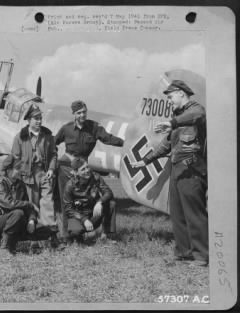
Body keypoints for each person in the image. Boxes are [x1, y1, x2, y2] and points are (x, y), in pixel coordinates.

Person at [131, 80, 208, 267]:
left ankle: (202, 256)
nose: (170, 100)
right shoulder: (177, 116)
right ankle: (184, 252)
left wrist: (171, 123)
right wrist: (145, 161)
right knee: (178, 213)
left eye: (171, 96)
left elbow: (198, 115)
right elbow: (166, 145)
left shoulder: (196, 111)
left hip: (192, 170)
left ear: (182, 93)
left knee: (194, 213)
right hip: (177, 169)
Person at [55, 100, 124, 242]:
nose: (82, 115)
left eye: (84, 112)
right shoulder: (66, 129)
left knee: (87, 200)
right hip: (66, 168)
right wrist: (52, 160)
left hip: (83, 170)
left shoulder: (94, 127)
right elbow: (52, 143)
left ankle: (92, 231)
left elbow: (108, 139)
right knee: (66, 203)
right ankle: (66, 236)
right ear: (73, 114)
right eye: (79, 113)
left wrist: (125, 143)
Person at [6, 102, 59, 247]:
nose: (39, 121)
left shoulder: (47, 136)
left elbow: (54, 154)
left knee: (48, 203)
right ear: (28, 120)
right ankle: (30, 236)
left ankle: (52, 234)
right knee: (31, 205)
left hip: (43, 173)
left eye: (40, 118)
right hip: (27, 175)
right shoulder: (20, 137)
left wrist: (51, 169)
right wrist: (19, 175)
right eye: (36, 118)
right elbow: (15, 158)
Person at [0, 158, 39, 257]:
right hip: (0, 222)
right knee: (18, 213)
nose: (21, 171)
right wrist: (28, 203)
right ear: (8, 170)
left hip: (17, 221)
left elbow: (28, 208)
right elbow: (9, 204)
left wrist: (31, 220)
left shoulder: (20, 184)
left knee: (44, 228)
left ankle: (23, 244)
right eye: (17, 168)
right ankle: (3, 248)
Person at [63, 157, 116, 244]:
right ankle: (83, 236)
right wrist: (84, 219)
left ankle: (105, 236)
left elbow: (108, 192)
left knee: (111, 204)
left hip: (94, 213)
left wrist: (100, 202)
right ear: (76, 172)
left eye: (87, 167)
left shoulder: (96, 177)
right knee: (76, 233)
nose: (87, 170)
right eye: (83, 169)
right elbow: (68, 208)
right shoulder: (69, 185)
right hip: (79, 216)